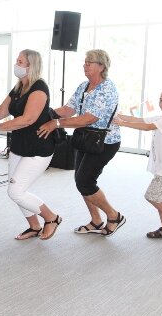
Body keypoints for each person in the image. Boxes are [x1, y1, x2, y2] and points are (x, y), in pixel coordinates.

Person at [36, 49, 125, 237]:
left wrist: (57, 123)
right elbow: (69, 109)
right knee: (81, 181)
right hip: (85, 139)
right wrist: (45, 114)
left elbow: (89, 118)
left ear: (102, 66)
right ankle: (96, 220)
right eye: (85, 62)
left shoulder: (107, 88)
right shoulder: (84, 86)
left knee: (85, 181)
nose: (85, 65)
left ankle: (114, 216)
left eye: (89, 62)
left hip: (105, 142)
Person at [0, 49, 61, 241]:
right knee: (15, 189)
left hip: (38, 148)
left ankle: (52, 218)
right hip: (19, 145)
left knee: (16, 191)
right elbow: (0, 111)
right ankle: (34, 226)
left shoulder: (39, 88)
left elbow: (28, 119)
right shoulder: (18, 87)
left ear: (31, 65)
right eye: (17, 60)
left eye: (20, 61)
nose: (16, 64)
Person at [113, 84, 162, 238]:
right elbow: (139, 119)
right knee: (159, 197)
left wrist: (123, 123)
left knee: (152, 196)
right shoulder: (161, 117)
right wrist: (119, 115)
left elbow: (147, 127)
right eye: (161, 100)